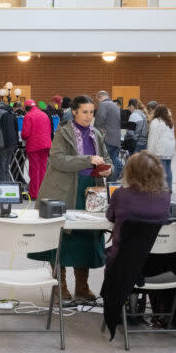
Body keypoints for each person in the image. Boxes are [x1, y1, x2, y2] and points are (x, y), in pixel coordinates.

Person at [39, 95, 112, 301]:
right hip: (63, 191)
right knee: (62, 239)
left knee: (86, 241)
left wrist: (109, 169)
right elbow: (58, 159)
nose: (89, 116)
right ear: (74, 112)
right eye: (85, 112)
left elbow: (107, 159)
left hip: (89, 190)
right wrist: (87, 160)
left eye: (91, 112)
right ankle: (59, 286)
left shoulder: (97, 134)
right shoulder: (63, 133)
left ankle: (82, 286)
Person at [105, 151, 171, 265]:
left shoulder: (120, 194)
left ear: (130, 172)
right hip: (153, 262)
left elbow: (110, 217)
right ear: (159, 172)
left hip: (122, 263)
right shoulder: (165, 197)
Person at [21, 93, 52, 199]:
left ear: (26, 108)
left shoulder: (28, 116)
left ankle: (34, 193)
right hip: (46, 145)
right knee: (43, 169)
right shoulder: (44, 115)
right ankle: (43, 192)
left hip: (34, 146)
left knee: (34, 170)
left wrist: (23, 137)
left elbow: (25, 134)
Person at [94, 90, 123, 182]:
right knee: (114, 160)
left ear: (100, 97)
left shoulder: (103, 105)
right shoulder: (115, 106)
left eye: (97, 100)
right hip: (116, 139)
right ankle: (115, 180)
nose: (98, 102)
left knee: (109, 163)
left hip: (107, 139)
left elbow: (99, 121)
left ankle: (111, 184)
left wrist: (94, 135)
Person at [146, 105, 176, 190]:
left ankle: (162, 189)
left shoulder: (156, 122)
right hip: (169, 149)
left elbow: (152, 138)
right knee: (168, 168)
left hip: (160, 149)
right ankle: (169, 188)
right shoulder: (170, 121)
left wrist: (150, 152)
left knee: (161, 170)